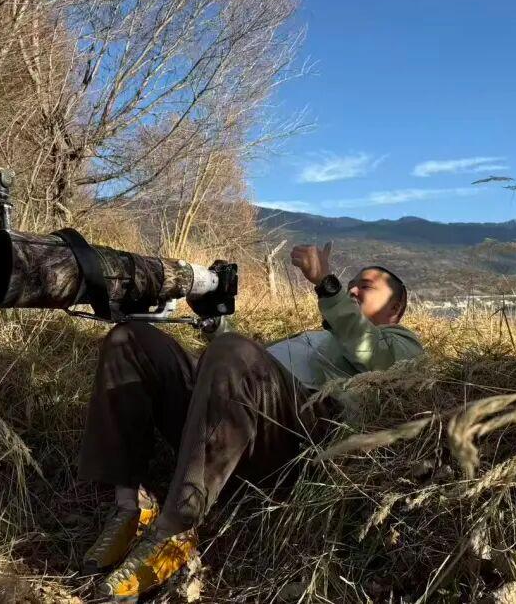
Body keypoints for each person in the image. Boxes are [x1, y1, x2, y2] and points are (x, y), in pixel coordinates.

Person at [76, 242, 422, 601]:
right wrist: (216, 323)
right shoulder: (316, 336)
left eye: (365, 286)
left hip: (292, 440)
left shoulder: (402, 343)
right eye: (349, 283)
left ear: (395, 307)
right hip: (225, 425)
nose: (351, 288)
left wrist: (327, 285)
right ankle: (130, 506)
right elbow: (238, 370)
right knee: (130, 339)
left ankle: (176, 527)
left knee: (235, 349)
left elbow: (378, 360)